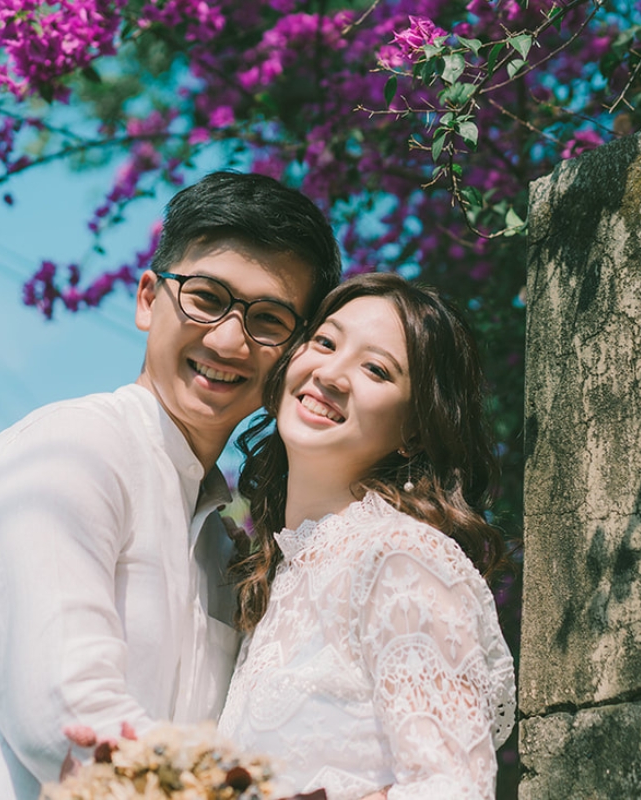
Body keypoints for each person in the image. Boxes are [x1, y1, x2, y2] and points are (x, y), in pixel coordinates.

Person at [0, 171, 342, 800]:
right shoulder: (70, 450)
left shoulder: (224, 551)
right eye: (205, 298)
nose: (229, 340)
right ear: (149, 298)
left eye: (269, 318)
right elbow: (69, 717)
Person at [218, 273, 517, 800]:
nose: (331, 373)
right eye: (325, 342)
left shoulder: (402, 558)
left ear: (415, 432)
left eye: (376, 369)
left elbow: (452, 790)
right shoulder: (281, 573)